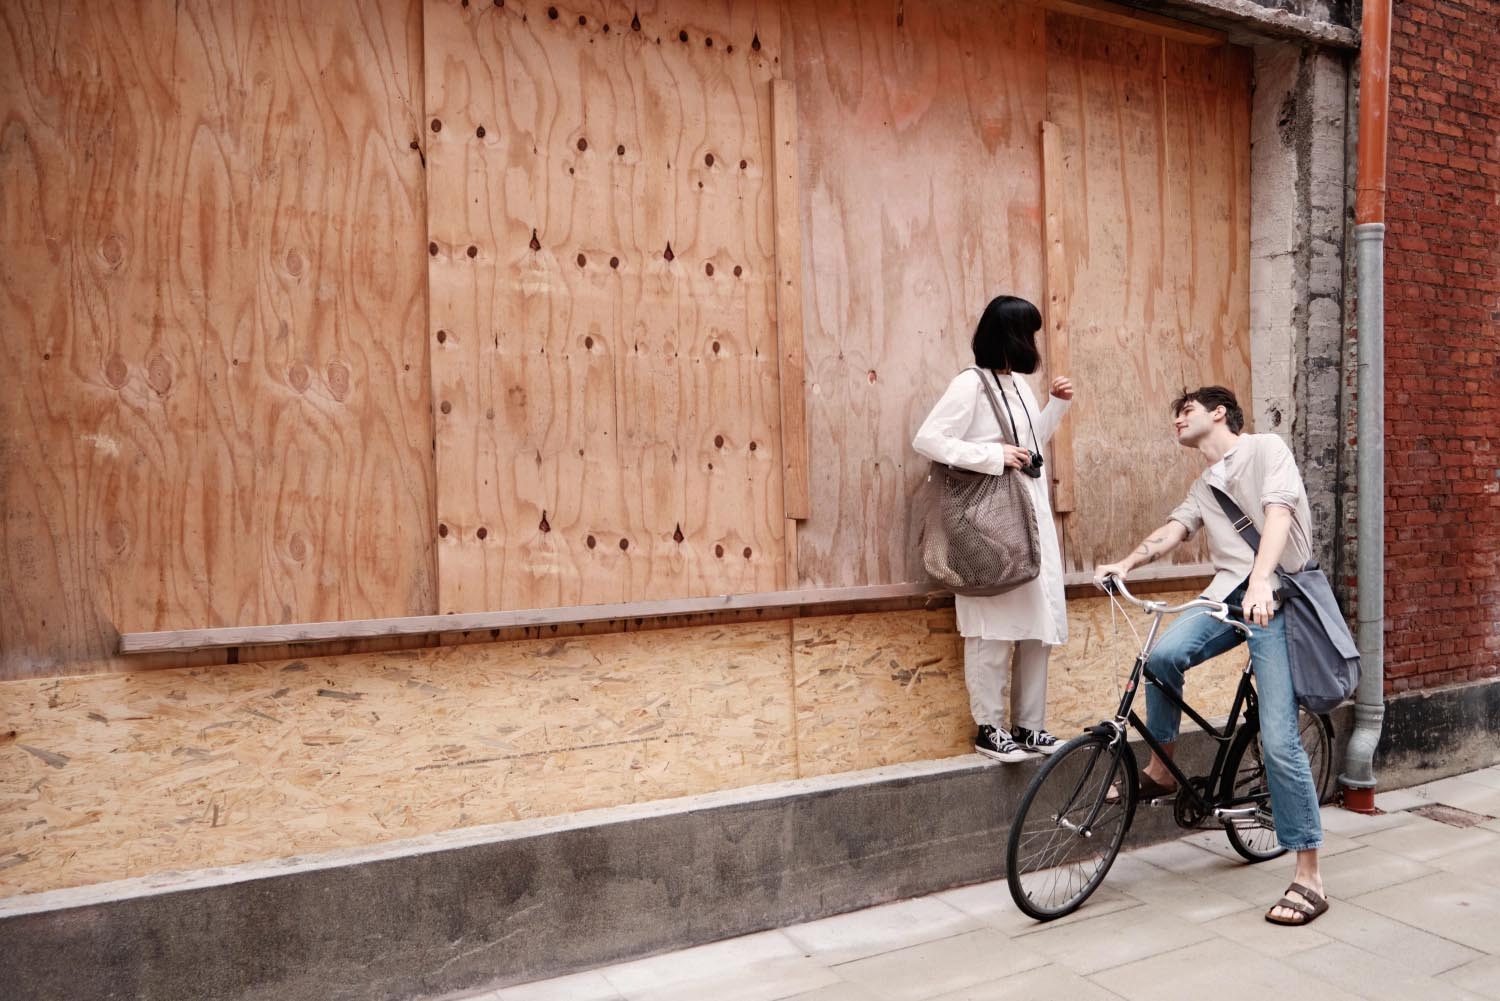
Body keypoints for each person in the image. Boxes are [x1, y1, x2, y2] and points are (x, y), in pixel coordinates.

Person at [1093, 386, 1330, 926]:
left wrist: (1264, 581)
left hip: (1277, 594)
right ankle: (1162, 768)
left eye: (1186, 410)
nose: (1177, 420)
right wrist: (1126, 563)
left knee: (1277, 736)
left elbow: (1277, 514)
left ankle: (1309, 875)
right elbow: (1173, 531)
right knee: (1160, 658)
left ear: (1218, 412)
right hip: (1227, 593)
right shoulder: (1203, 485)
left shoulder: (1266, 450)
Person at [912, 295, 1074, 763]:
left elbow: (1029, 443)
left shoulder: (1019, 384)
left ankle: (1030, 727)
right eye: (1029, 332)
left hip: (1028, 516)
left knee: (1036, 626)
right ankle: (989, 728)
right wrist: (991, 456)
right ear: (1012, 335)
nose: (1034, 342)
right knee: (991, 626)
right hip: (988, 522)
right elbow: (928, 439)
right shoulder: (971, 384)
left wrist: (1056, 406)